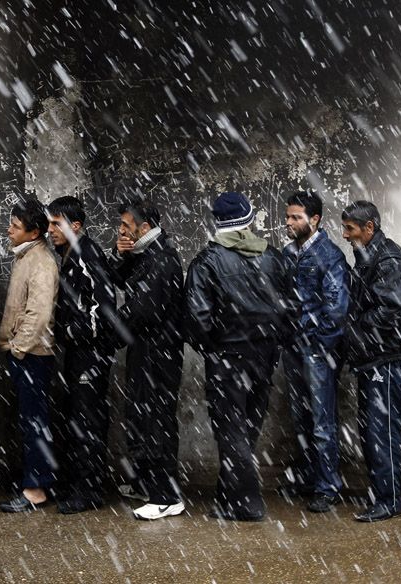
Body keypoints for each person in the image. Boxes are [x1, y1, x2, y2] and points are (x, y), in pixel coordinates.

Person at [185, 191, 291, 521]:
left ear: (218, 223)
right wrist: (273, 345)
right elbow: (288, 308)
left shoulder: (207, 261)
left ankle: (246, 503)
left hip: (227, 358)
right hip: (263, 356)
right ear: (248, 219)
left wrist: (212, 347)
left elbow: (197, 317)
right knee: (246, 428)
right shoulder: (272, 257)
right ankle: (229, 498)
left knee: (230, 431)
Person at [110, 197, 186, 520]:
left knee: (157, 421)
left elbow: (143, 310)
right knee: (141, 415)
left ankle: (166, 495)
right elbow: (120, 279)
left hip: (159, 353)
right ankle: (147, 482)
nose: (122, 231)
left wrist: (109, 330)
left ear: (144, 227)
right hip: (145, 351)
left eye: (127, 226)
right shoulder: (147, 254)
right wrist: (120, 255)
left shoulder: (164, 259)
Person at [341, 200, 401, 522]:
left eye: (350, 229)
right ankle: (383, 492)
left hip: (383, 358)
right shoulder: (369, 254)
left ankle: (389, 499)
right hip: (372, 357)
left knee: (382, 430)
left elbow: (396, 309)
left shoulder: (388, 259)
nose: (345, 235)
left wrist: (357, 329)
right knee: (372, 428)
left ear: (369, 227)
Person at [46, 195, 118, 515]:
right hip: (78, 353)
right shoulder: (69, 254)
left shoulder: (86, 255)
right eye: (49, 223)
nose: (50, 230)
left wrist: (74, 334)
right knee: (77, 418)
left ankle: (88, 490)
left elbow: (102, 307)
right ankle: (78, 483)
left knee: (87, 420)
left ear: (75, 226)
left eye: (56, 224)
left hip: (89, 354)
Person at [281, 191, 350, 513]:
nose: (289, 222)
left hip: (317, 351)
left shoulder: (329, 256)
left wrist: (318, 344)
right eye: (288, 216)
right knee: (302, 418)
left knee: (323, 422)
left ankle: (328, 486)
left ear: (315, 220)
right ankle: (309, 478)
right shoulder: (288, 253)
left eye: (296, 217)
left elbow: (336, 311)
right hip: (295, 349)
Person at [0, 198, 59, 513]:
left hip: (33, 354)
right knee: (29, 421)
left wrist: (18, 348)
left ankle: (36, 489)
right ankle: (33, 481)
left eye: (16, 226)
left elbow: (39, 314)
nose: (9, 230)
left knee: (34, 422)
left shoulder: (41, 262)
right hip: (25, 353)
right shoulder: (26, 256)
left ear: (34, 232)